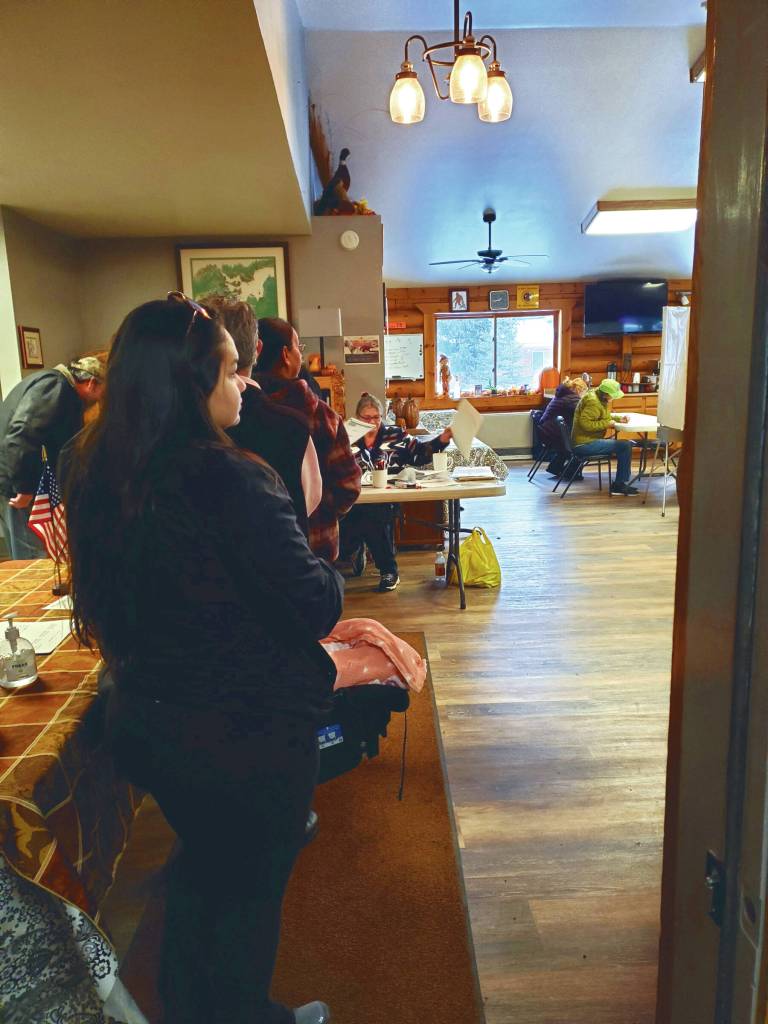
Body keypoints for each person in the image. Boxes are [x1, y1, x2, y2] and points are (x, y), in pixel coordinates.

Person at [63, 293, 341, 1024]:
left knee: (203, 870)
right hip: (244, 737)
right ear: (189, 385)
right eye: (226, 371)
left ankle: (189, 1007)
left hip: (152, 724)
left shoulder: (93, 473)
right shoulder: (232, 479)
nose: (243, 383)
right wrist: (335, 577)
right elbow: (313, 605)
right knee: (247, 899)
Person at [202, 295, 320, 536]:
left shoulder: (169, 433)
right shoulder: (293, 424)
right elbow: (311, 497)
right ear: (257, 348)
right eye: (229, 373)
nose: (241, 386)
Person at [255, 317, 361, 561]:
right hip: (315, 546)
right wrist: (323, 512)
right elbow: (349, 485)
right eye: (298, 347)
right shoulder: (322, 415)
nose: (301, 355)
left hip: (257, 548)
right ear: (285, 355)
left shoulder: (241, 411)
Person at [339, 393, 452, 592]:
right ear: (357, 417)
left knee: (373, 516)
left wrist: (442, 439)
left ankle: (388, 571)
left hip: (385, 498)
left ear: (382, 417)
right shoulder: (347, 436)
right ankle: (355, 550)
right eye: (366, 418)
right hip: (352, 497)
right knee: (351, 524)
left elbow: (420, 453)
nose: (372, 422)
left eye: (376, 417)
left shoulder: (395, 434)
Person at [0, 356, 104, 559]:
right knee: (31, 556)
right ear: (91, 383)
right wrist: (24, 487)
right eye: (102, 392)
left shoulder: (55, 386)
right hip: (18, 486)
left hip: (17, 479)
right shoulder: (55, 387)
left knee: (28, 550)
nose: (99, 400)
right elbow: (22, 435)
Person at [571, 378, 637, 495]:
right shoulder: (593, 402)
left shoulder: (598, 397)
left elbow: (601, 415)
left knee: (623, 445)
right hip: (584, 444)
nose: (613, 398)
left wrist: (617, 419)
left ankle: (620, 483)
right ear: (606, 394)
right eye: (613, 396)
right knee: (625, 445)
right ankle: (619, 485)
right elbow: (585, 424)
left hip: (586, 440)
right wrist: (607, 424)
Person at [538, 376, 588, 477]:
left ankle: (555, 468)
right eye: (584, 392)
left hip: (546, 431)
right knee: (581, 447)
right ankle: (570, 473)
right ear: (579, 389)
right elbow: (583, 414)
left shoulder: (562, 395)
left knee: (566, 448)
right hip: (553, 433)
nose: (584, 395)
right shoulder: (572, 398)